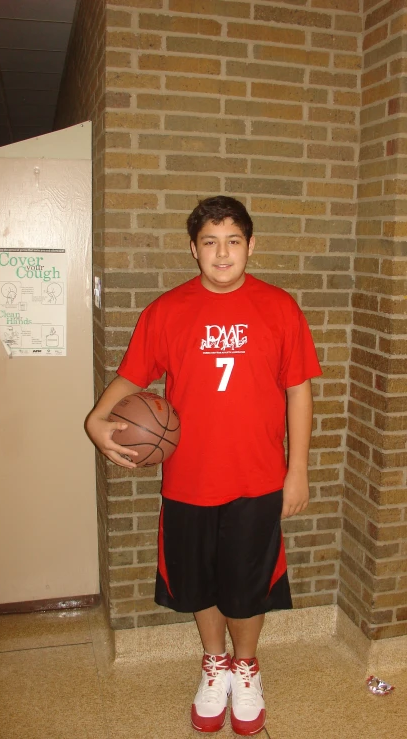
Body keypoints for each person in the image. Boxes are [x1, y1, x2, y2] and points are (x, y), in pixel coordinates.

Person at [85, 196, 321, 736]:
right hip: (188, 479)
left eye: (233, 241)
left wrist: (298, 467)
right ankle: (214, 664)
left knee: (247, 584)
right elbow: (132, 376)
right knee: (199, 583)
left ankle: (246, 666)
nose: (222, 253)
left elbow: (299, 391)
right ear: (193, 249)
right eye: (210, 242)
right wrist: (97, 419)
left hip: (257, 478)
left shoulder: (280, 307)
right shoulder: (166, 311)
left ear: (250, 246)